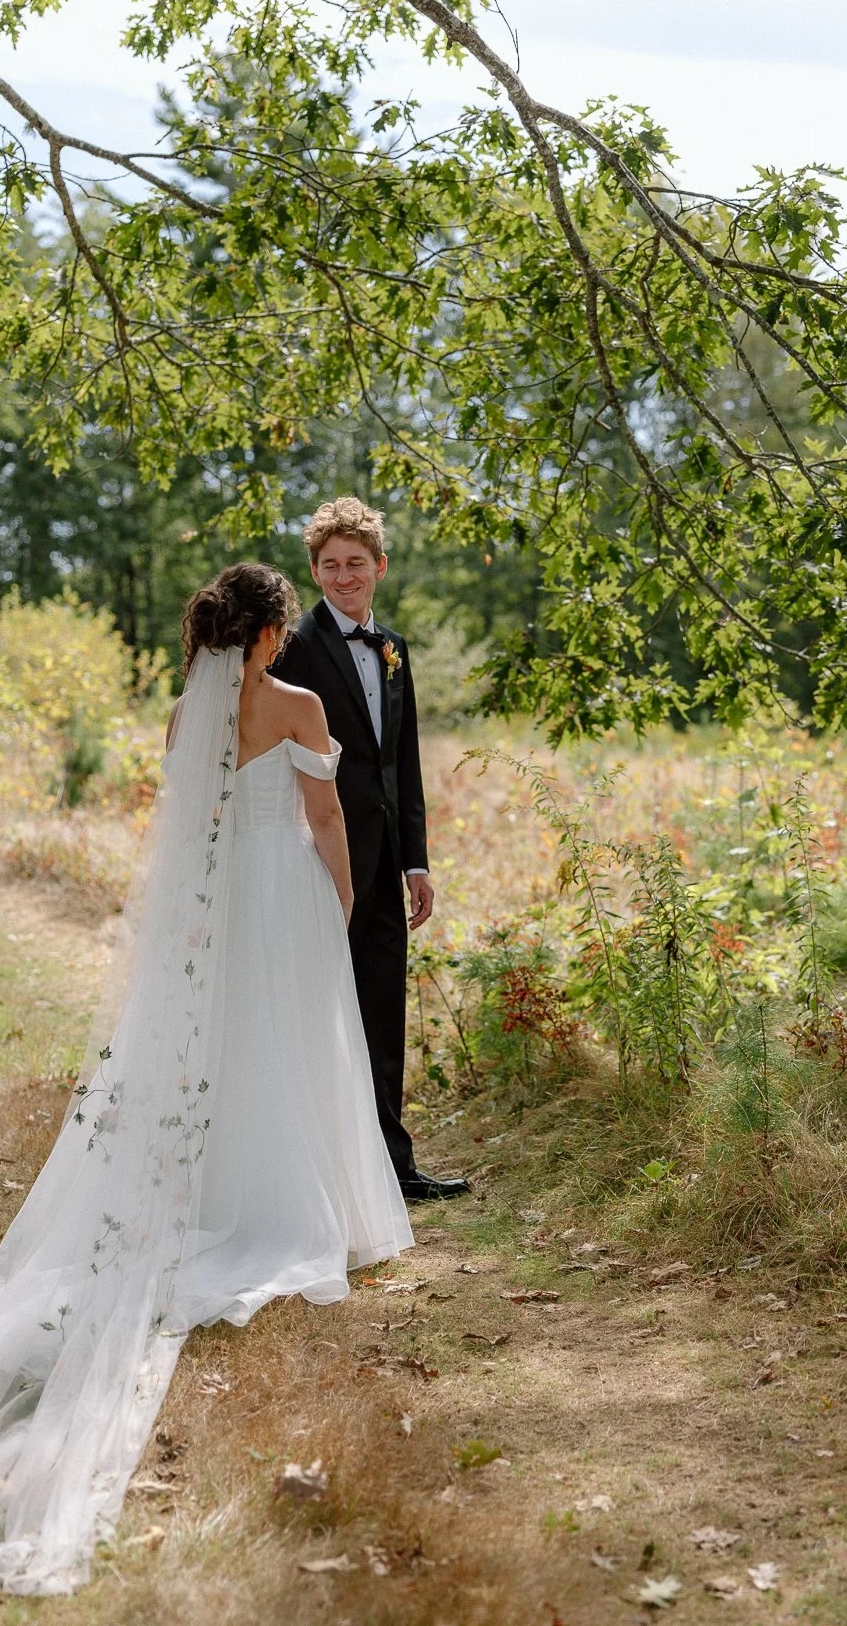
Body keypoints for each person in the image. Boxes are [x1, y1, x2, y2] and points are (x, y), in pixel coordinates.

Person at [0, 562, 412, 1597]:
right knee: (293, 1049)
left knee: (223, 1057)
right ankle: (291, 1208)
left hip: (211, 918)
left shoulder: (189, 717)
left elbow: (184, 840)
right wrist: (347, 900)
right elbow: (324, 822)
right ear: (271, 633)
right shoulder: (300, 702)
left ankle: (217, 1192)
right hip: (283, 907)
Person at [273, 497, 469, 1203]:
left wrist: (416, 860)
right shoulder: (292, 647)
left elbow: (402, 765)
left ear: (379, 567)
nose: (344, 576)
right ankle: (321, 1174)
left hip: (385, 863)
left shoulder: (394, 651)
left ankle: (394, 1167)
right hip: (315, 857)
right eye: (330, 565)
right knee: (317, 1009)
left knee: (383, 1010)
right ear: (315, 572)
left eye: (356, 563)